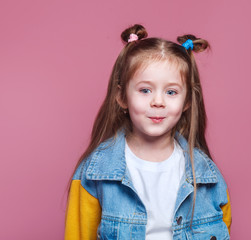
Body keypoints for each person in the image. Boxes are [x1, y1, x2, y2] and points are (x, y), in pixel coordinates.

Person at [64, 24, 231, 240]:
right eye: (145, 90)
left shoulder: (209, 177)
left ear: (188, 100)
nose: (158, 102)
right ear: (122, 96)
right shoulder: (94, 174)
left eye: (171, 92)